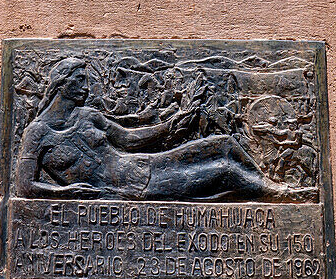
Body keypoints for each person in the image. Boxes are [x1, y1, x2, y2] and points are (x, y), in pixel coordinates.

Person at [14, 56, 287, 201]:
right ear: (62, 83)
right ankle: (280, 195)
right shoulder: (37, 133)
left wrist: (168, 127)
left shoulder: (88, 116)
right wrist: (63, 193)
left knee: (224, 143)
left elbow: (128, 139)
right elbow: (25, 186)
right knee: (224, 171)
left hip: (141, 165)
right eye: (80, 81)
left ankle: (269, 185)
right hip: (131, 189)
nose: (86, 88)